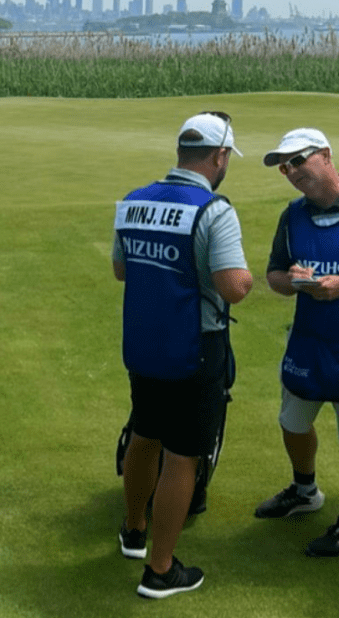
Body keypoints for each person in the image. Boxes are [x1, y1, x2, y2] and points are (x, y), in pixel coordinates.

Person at [113, 112, 252, 598]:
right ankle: (161, 569)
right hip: (195, 348)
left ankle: (133, 530)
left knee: (144, 434)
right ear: (219, 157)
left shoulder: (132, 202)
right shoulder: (214, 210)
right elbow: (234, 288)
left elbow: (121, 270)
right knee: (183, 456)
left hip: (144, 344)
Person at [255, 128, 339, 557]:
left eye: (298, 160)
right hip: (309, 338)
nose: (291, 172)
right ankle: (305, 489)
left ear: (327, 155)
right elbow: (274, 273)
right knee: (292, 419)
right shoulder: (292, 215)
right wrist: (292, 283)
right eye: (284, 167)